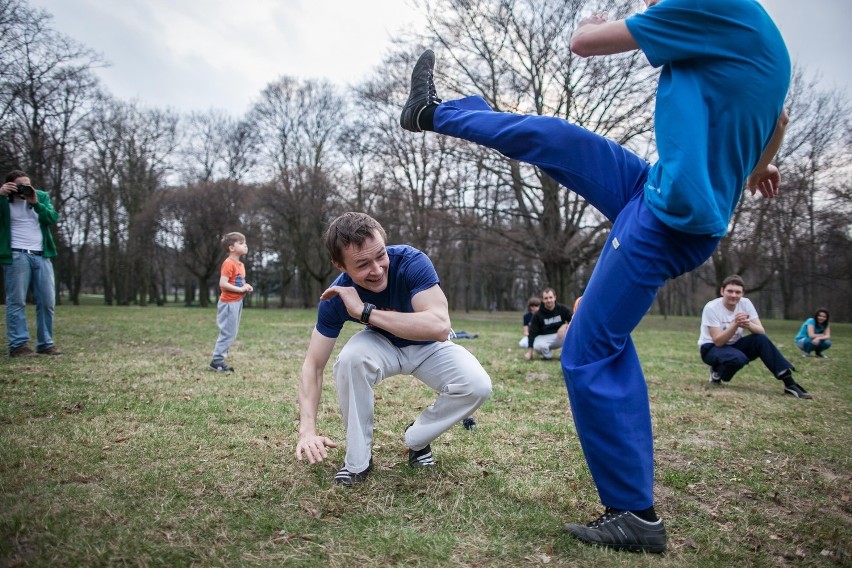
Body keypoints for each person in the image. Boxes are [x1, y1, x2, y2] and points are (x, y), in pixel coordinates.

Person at [399, 0, 790, 553]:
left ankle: (636, 514)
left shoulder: (714, 7)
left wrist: (614, 19)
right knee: (554, 137)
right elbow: (777, 120)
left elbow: (584, 42)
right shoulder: (766, 40)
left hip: (669, 220)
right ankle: (432, 112)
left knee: (589, 348)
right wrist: (762, 165)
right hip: (655, 188)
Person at [294, 212, 492, 486]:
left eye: (380, 256)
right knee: (351, 358)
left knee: (477, 385)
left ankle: (417, 438)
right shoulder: (335, 297)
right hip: (382, 344)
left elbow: (439, 326)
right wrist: (307, 430)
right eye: (362, 264)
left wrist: (364, 311)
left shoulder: (412, 262)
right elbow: (313, 366)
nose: (376, 269)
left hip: (429, 346)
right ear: (340, 266)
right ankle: (357, 463)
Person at [699, 274, 811, 399]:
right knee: (738, 358)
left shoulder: (746, 304)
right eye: (729, 291)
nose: (733, 295)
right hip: (711, 348)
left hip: (734, 346)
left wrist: (748, 324)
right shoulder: (711, 308)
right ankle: (717, 371)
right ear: (722, 291)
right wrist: (735, 325)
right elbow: (718, 341)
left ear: (743, 293)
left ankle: (789, 383)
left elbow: (760, 331)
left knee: (760, 339)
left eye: (737, 292)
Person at [1, 170, 61, 357]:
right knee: (17, 300)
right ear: (10, 185)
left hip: (41, 255)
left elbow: (52, 218)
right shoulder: (4, 200)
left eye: (27, 184)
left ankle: (45, 343)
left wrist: (35, 203)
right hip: (16, 255)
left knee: (47, 301)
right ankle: (18, 345)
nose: (24, 188)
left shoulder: (40, 197)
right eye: (19, 185)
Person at [208, 232, 253, 372]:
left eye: (245, 243)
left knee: (232, 332)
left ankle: (219, 359)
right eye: (241, 243)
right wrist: (240, 290)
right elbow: (223, 284)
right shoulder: (228, 263)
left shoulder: (240, 265)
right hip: (228, 303)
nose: (245, 245)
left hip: (237, 302)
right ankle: (217, 361)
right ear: (231, 248)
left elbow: (239, 282)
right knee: (227, 333)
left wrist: (246, 287)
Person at [525, 288, 572, 361]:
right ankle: (547, 356)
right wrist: (529, 352)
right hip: (545, 338)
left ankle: (564, 354)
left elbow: (574, 321)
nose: (549, 300)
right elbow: (532, 334)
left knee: (572, 334)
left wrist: (565, 326)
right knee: (537, 345)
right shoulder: (537, 315)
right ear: (542, 300)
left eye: (550, 297)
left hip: (560, 336)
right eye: (546, 298)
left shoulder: (563, 309)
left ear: (555, 297)